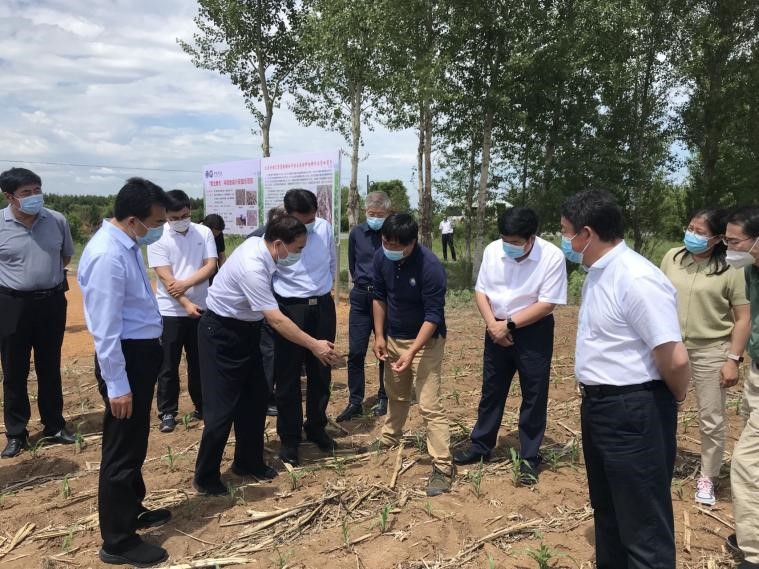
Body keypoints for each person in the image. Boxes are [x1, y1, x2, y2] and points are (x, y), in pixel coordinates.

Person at [560, 190, 690, 568]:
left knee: (643, 524)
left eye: (566, 232)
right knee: (610, 510)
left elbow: (675, 358)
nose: (564, 241)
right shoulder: (599, 273)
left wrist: (671, 399)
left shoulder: (636, 278)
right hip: (601, 407)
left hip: (633, 410)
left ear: (587, 234)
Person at [193, 214, 338, 495]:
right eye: (297, 249)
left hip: (249, 330)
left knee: (256, 399)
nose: (299, 254)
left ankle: (248, 462)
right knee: (221, 409)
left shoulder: (264, 249)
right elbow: (276, 319)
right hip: (221, 334)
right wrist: (314, 344)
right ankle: (206, 476)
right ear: (279, 244)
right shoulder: (253, 266)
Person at [78, 178, 172, 567]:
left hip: (140, 354)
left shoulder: (125, 245)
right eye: (157, 222)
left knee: (134, 439)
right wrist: (118, 385)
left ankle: (131, 508)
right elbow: (105, 329)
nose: (160, 229)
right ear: (134, 220)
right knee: (122, 448)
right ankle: (118, 540)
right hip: (126, 359)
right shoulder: (107, 255)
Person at [454, 207, 567, 484]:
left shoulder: (552, 256)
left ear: (531, 238)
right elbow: (481, 290)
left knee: (534, 394)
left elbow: (547, 303)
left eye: (515, 242)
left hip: (533, 331)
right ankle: (481, 445)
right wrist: (493, 324)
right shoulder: (493, 250)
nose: (508, 246)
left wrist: (509, 325)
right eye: (505, 239)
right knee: (491, 390)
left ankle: (529, 456)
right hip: (495, 328)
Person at [660, 208, 750, 506]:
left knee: (711, 417)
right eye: (690, 228)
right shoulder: (672, 258)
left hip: (711, 350)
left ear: (717, 238)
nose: (692, 235)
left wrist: (733, 359)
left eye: (700, 232)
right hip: (670, 346)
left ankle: (708, 475)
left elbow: (743, 318)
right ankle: (661, 463)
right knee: (661, 408)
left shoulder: (731, 268)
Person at [369, 213, 453, 497]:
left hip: (426, 343)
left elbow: (433, 316)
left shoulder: (430, 267)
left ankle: (442, 466)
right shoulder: (381, 257)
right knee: (396, 393)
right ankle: (390, 437)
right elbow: (379, 297)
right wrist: (379, 335)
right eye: (385, 242)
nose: (389, 249)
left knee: (429, 404)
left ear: (411, 243)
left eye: (395, 246)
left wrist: (412, 351)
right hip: (394, 337)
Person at [0, 167, 76, 458]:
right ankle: (16, 433)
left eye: (37, 190)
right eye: (26, 192)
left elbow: (64, 255)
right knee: (14, 369)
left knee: (49, 365)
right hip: (12, 304)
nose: (34, 196)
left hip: (51, 302)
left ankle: (54, 425)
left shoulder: (56, 220)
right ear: (10, 197)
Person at [272, 189, 337, 466]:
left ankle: (317, 427)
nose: (309, 225)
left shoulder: (324, 228)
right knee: (288, 374)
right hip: (290, 308)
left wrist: (324, 291)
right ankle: (289, 436)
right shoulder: (277, 234)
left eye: (312, 218)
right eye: (304, 220)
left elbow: (332, 260)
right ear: (288, 215)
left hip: (321, 305)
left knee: (321, 369)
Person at [148, 190, 218, 433]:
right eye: (174, 218)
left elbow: (210, 265)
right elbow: (165, 277)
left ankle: (203, 405)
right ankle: (168, 411)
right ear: (166, 215)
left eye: (184, 215)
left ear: (190, 210)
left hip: (202, 307)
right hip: (170, 311)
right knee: (168, 364)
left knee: (200, 362)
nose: (180, 220)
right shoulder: (157, 236)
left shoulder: (203, 232)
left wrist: (185, 284)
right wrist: (186, 304)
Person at [723, 205, 759, 569]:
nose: (729, 249)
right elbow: (749, 319)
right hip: (756, 372)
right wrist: (735, 358)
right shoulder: (751, 270)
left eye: (735, 242)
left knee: (747, 464)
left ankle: (754, 554)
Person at [337, 191, 392, 422]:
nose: (375, 218)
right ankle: (355, 401)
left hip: (385, 297)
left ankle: (384, 396)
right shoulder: (357, 233)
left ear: (388, 213)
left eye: (380, 214)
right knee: (356, 352)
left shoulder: (392, 233)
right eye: (372, 214)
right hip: (361, 296)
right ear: (365, 211)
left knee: (385, 350)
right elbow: (352, 264)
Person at [247, 206, 285, 417]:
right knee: (268, 353)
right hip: (264, 306)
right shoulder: (255, 239)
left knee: (279, 351)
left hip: (282, 302)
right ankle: (267, 397)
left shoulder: (291, 239)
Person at [201, 213, 226, 284]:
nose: (215, 237)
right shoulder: (195, 233)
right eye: (213, 234)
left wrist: (222, 274)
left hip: (213, 276)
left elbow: (222, 256)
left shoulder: (219, 235)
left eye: (217, 234)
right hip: (197, 274)